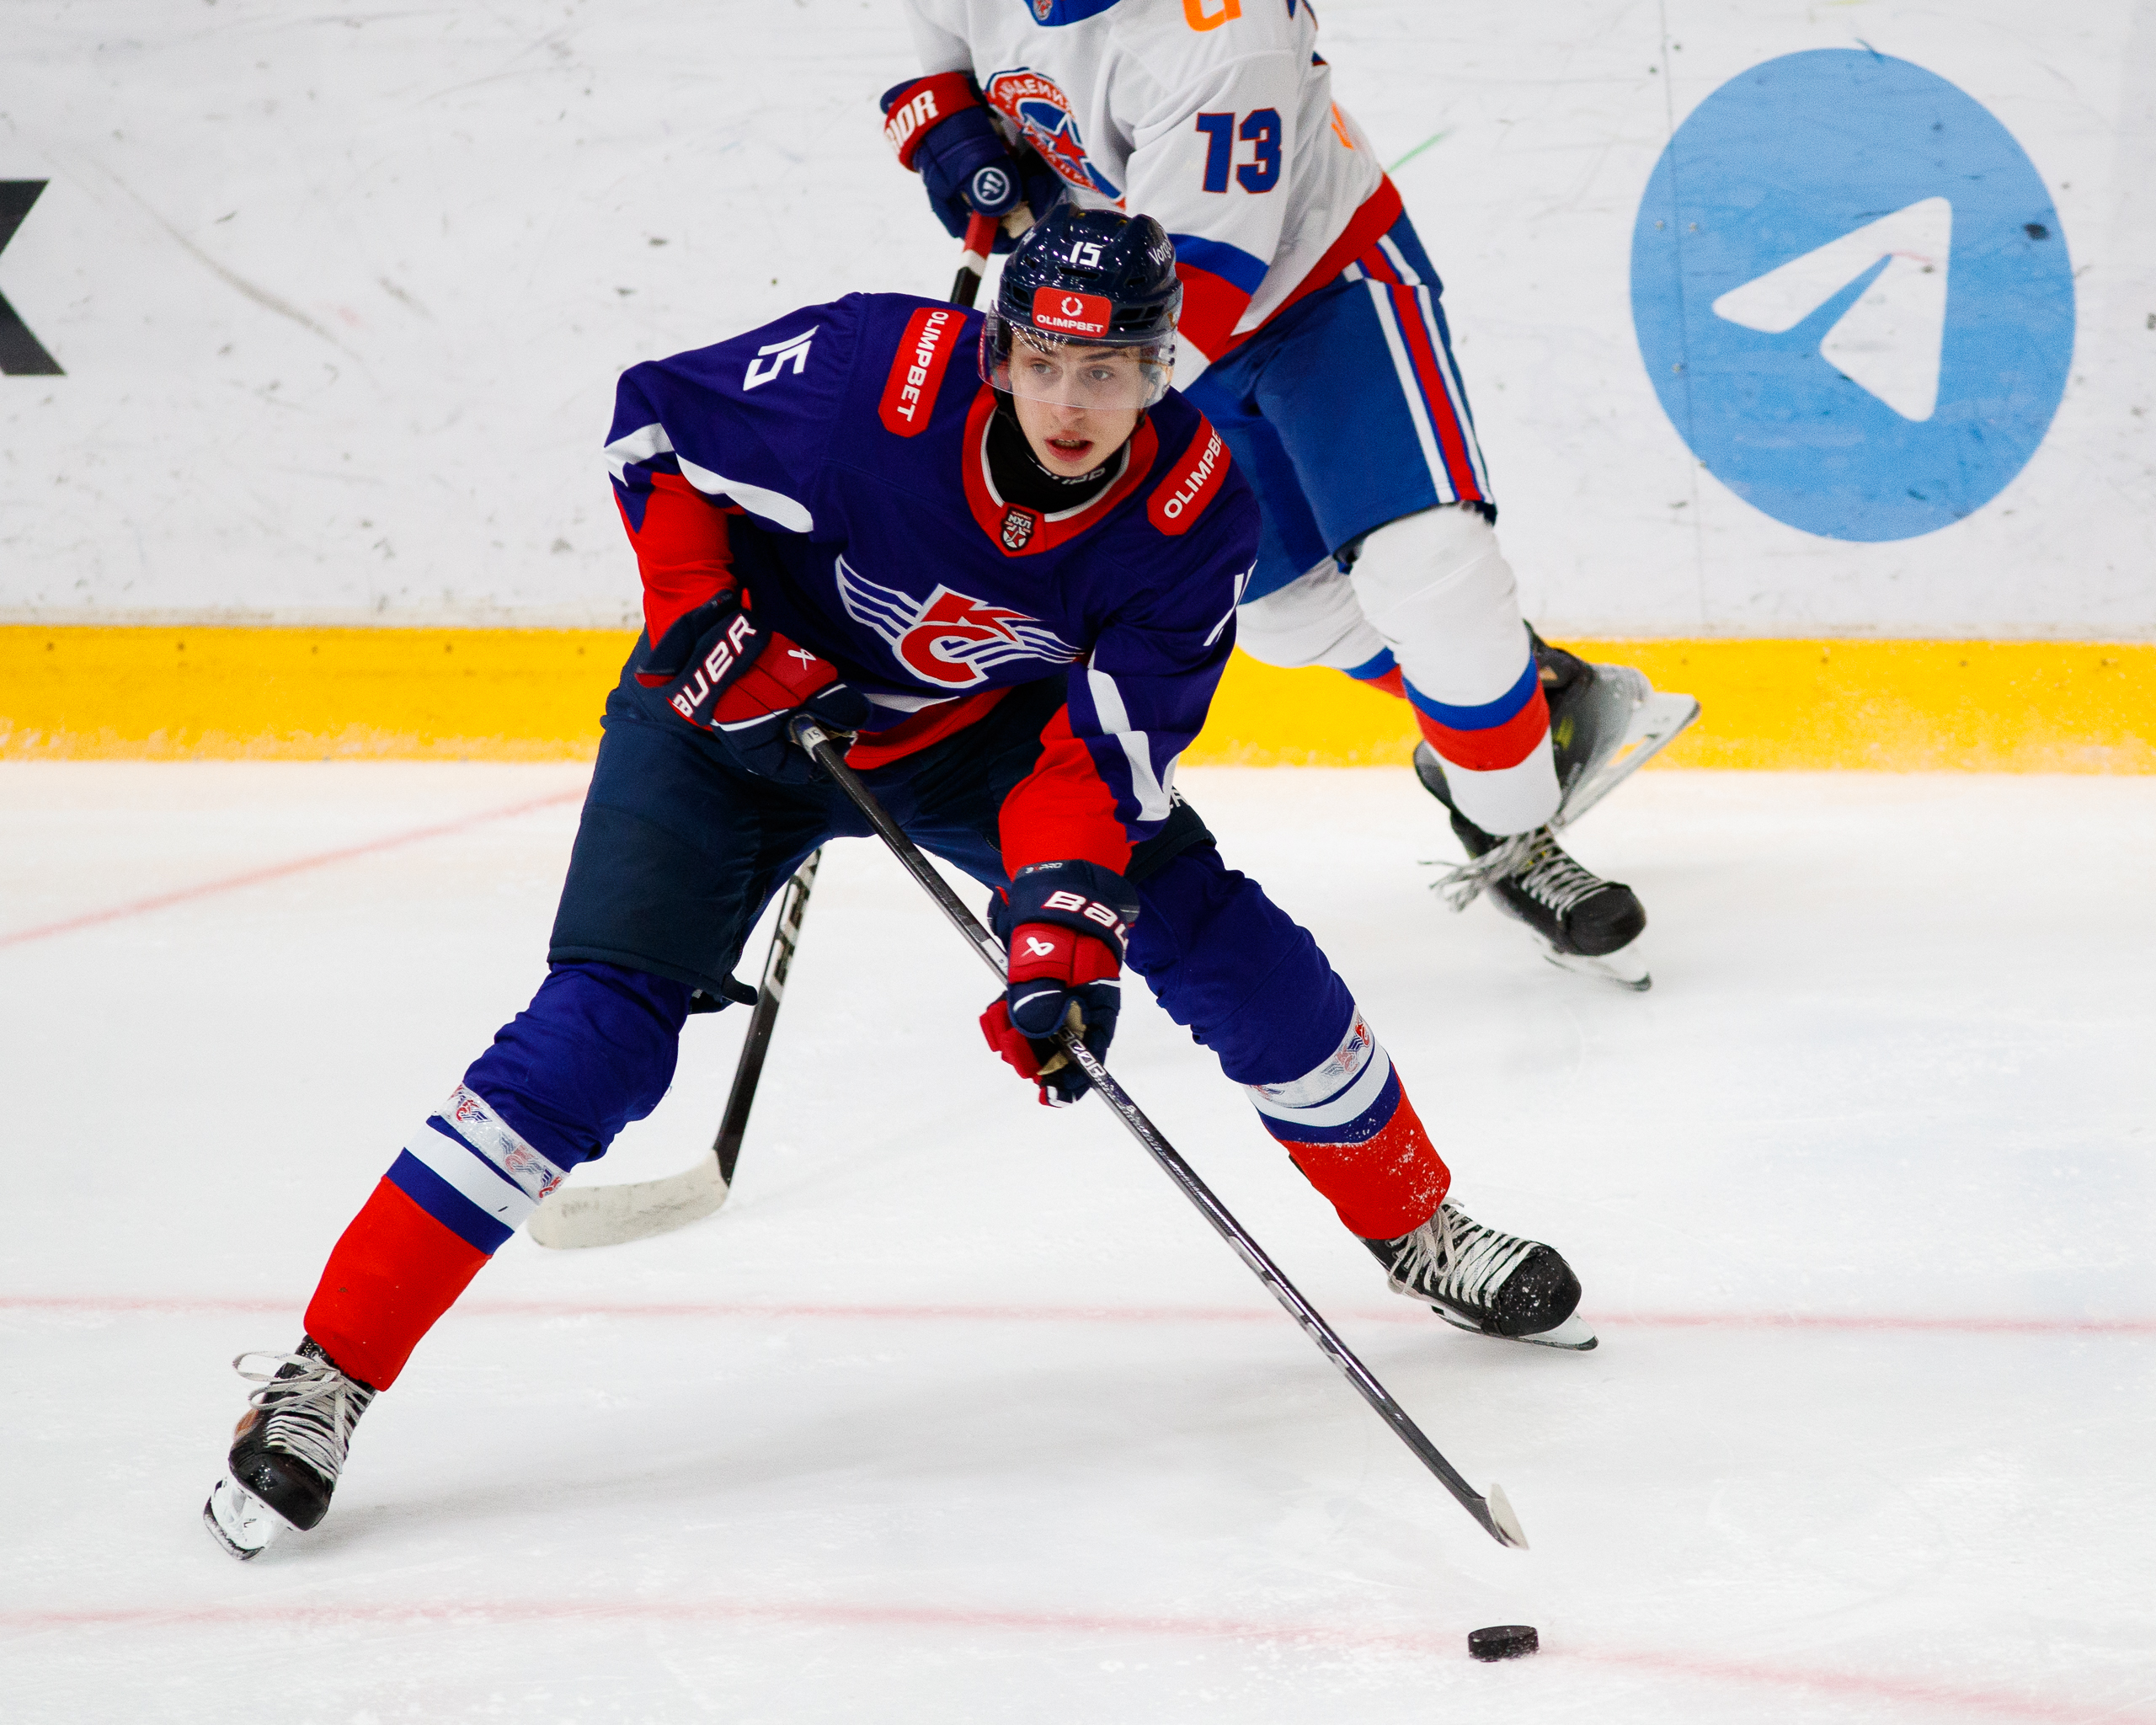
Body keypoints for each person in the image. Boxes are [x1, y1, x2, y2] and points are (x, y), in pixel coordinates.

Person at [200, 209, 1593, 1564]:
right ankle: (326, 1375)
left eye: (1108, 370)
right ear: (998, 351)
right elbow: (654, 427)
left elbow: (1100, 758)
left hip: (968, 741)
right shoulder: (869, 378)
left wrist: (1057, 942)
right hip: (724, 723)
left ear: (1161, 370)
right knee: (596, 1036)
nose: (1071, 403)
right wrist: (701, 615)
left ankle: (1418, 1224)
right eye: (1044, 361)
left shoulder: (1189, 511)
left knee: (1220, 936)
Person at [878, 0, 1696, 988]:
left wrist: (1008, 451)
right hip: (1121, 322)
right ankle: (1540, 692)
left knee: (1431, 574)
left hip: (1316, 283)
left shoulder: (1222, 35)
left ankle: (1509, 822)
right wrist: (945, 119)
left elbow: (1193, 296)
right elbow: (938, 47)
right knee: (1284, 613)